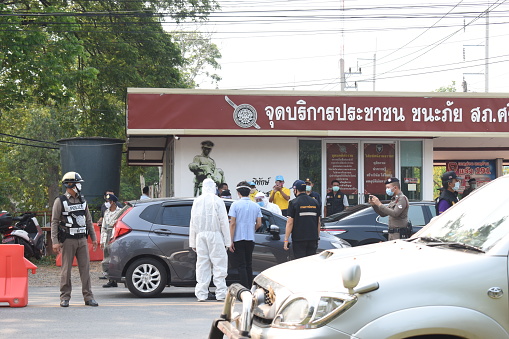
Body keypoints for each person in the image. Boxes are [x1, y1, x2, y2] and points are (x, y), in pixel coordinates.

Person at [51, 171, 99, 307]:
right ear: (70, 184)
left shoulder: (82, 200)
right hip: (68, 240)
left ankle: (88, 297)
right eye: (77, 183)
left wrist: (93, 238)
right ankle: (65, 297)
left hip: (82, 239)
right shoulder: (60, 201)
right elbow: (54, 222)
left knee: (85, 269)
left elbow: (88, 220)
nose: (79, 186)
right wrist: (55, 242)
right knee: (66, 270)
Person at [189, 178, 231, 302]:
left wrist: (193, 241)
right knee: (219, 264)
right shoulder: (218, 200)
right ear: (213, 187)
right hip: (215, 235)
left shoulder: (197, 201)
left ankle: (201, 294)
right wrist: (227, 241)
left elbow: (193, 222)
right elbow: (223, 222)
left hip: (200, 236)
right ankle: (221, 293)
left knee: (202, 264)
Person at [228, 181, 262, 288]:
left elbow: (232, 223)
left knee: (241, 265)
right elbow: (259, 223)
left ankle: (244, 287)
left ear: (238, 193)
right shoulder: (255, 206)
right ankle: (250, 286)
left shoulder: (235, 204)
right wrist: (252, 229)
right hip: (250, 238)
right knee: (249, 264)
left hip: (238, 238)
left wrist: (230, 240)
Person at [283, 180, 320, 259]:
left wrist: (286, 239)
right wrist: (317, 237)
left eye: (293, 190)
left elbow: (290, 222)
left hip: (299, 239)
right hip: (313, 238)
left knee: (300, 263)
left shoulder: (293, 203)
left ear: (296, 190)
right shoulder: (315, 202)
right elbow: (318, 222)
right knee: (311, 262)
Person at [100, 194, 122, 288]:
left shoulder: (120, 212)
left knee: (116, 257)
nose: (107, 204)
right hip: (107, 234)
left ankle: (118, 277)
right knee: (107, 258)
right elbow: (104, 227)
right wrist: (102, 240)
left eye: (108, 202)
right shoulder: (106, 212)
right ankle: (110, 279)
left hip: (115, 234)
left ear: (112, 202)